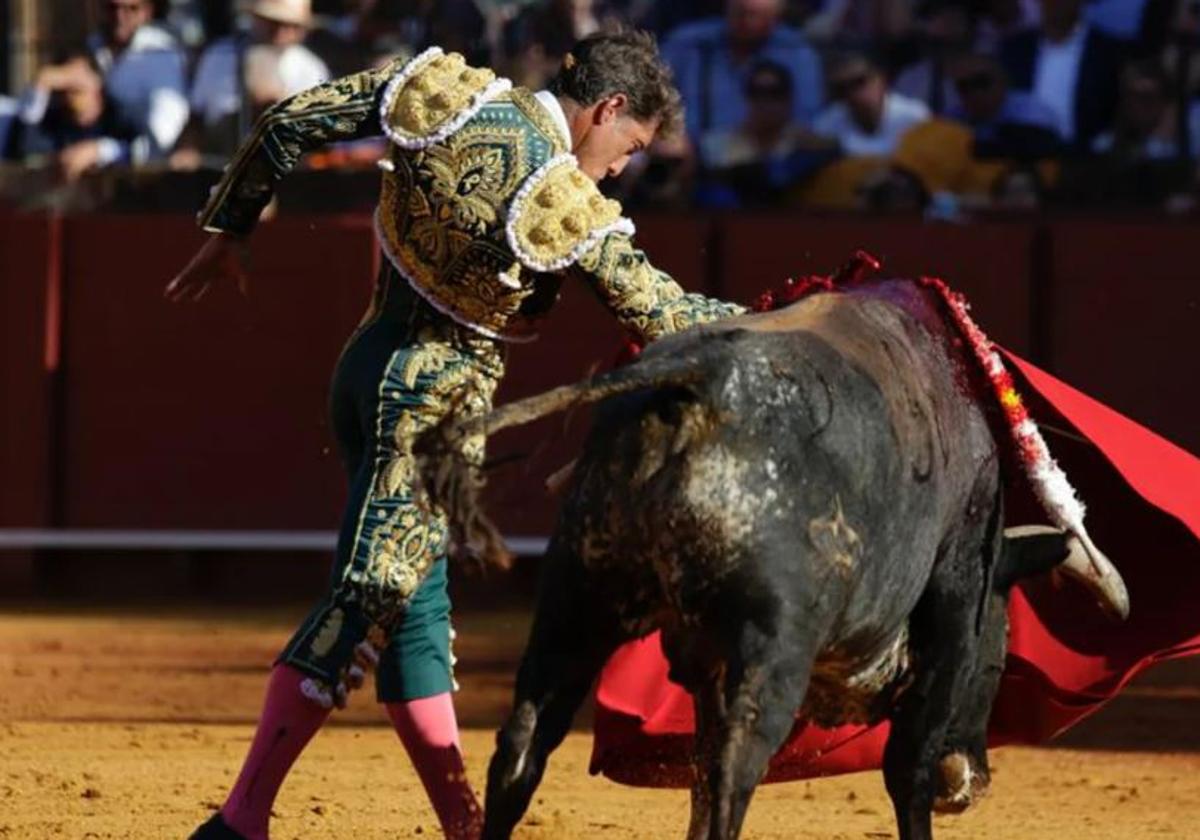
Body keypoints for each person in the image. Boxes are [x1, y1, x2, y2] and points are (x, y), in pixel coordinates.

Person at [167, 30, 745, 840]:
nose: (621, 170)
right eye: (631, 146)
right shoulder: (559, 197)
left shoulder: (446, 95)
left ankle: (465, 830)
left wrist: (231, 229)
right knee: (369, 593)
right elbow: (663, 313)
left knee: (414, 613)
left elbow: (290, 120)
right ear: (607, 109)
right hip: (429, 411)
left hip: (365, 367)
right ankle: (239, 821)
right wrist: (781, 321)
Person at [16, 0, 188, 174]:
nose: (120, 17)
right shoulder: (91, 46)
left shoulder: (162, 56)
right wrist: (40, 86)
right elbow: (24, 148)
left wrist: (99, 151)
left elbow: (155, 144)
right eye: (112, 8)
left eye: (131, 9)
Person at [661, 0, 824, 140]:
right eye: (741, 12)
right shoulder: (688, 43)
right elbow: (653, 96)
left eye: (755, 14)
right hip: (690, 156)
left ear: (777, 14)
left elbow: (807, 120)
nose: (747, 21)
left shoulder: (796, 52)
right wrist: (667, 136)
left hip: (767, 157)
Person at [185, 0, 330, 158]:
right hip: (220, 159)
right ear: (256, 18)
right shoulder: (221, 56)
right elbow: (196, 117)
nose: (281, 33)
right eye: (274, 23)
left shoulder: (311, 69)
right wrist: (188, 151)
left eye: (291, 26)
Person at [999, 0, 1127, 151]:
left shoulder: (1108, 52)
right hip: (1023, 156)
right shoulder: (1015, 49)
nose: (1055, 3)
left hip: (1086, 158)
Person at [812, 52, 931, 157]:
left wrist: (839, 145)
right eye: (841, 88)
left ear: (881, 79)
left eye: (859, 82)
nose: (852, 93)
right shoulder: (828, 121)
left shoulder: (914, 115)